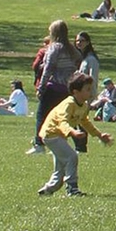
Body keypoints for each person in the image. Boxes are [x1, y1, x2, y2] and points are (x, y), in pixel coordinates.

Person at [37, 72, 114, 197]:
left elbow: (85, 122)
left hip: (59, 136)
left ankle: (48, 189)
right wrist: (72, 132)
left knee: (61, 166)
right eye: (87, 89)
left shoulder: (83, 105)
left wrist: (100, 135)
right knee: (72, 157)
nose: (91, 92)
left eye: (91, 89)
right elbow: (62, 121)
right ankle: (72, 189)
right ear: (75, 92)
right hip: (51, 134)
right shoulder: (69, 104)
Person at [31, 20, 80, 153]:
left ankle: (39, 144)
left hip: (53, 88)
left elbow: (48, 69)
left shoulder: (54, 48)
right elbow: (78, 61)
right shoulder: (71, 49)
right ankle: (65, 145)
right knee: (61, 118)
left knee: (42, 115)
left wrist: (41, 88)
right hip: (66, 89)